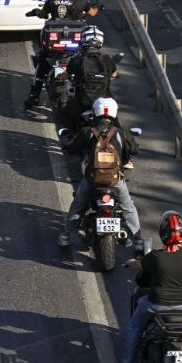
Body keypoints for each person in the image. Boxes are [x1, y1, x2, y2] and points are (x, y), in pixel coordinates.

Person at [115, 211, 182, 363]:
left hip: (157, 305)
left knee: (135, 328)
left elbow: (138, 266)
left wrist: (129, 262)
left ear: (162, 234)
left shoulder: (155, 257)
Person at [60, 97, 142, 252]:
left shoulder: (88, 132)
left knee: (78, 204)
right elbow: (135, 149)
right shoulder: (121, 133)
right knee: (128, 206)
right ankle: (138, 240)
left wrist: (67, 144)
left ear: (96, 112)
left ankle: (65, 236)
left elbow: (71, 149)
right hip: (115, 180)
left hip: (92, 180)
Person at [23, 0, 83, 110]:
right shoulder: (81, 0)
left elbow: (43, 14)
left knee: (43, 62)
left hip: (54, 46)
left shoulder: (53, 0)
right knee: (82, 59)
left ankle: (34, 96)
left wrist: (37, 12)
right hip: (74, 46)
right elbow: (92, 12)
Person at [60, 25, 118, 130]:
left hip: (83, 101)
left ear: (84, 40)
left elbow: (66, 75)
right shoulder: (107, 59)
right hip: (103, 100)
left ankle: (73, 137)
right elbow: (114, 74)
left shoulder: (77, 60)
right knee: (115, 122)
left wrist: (61, 77)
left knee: (65, 114)